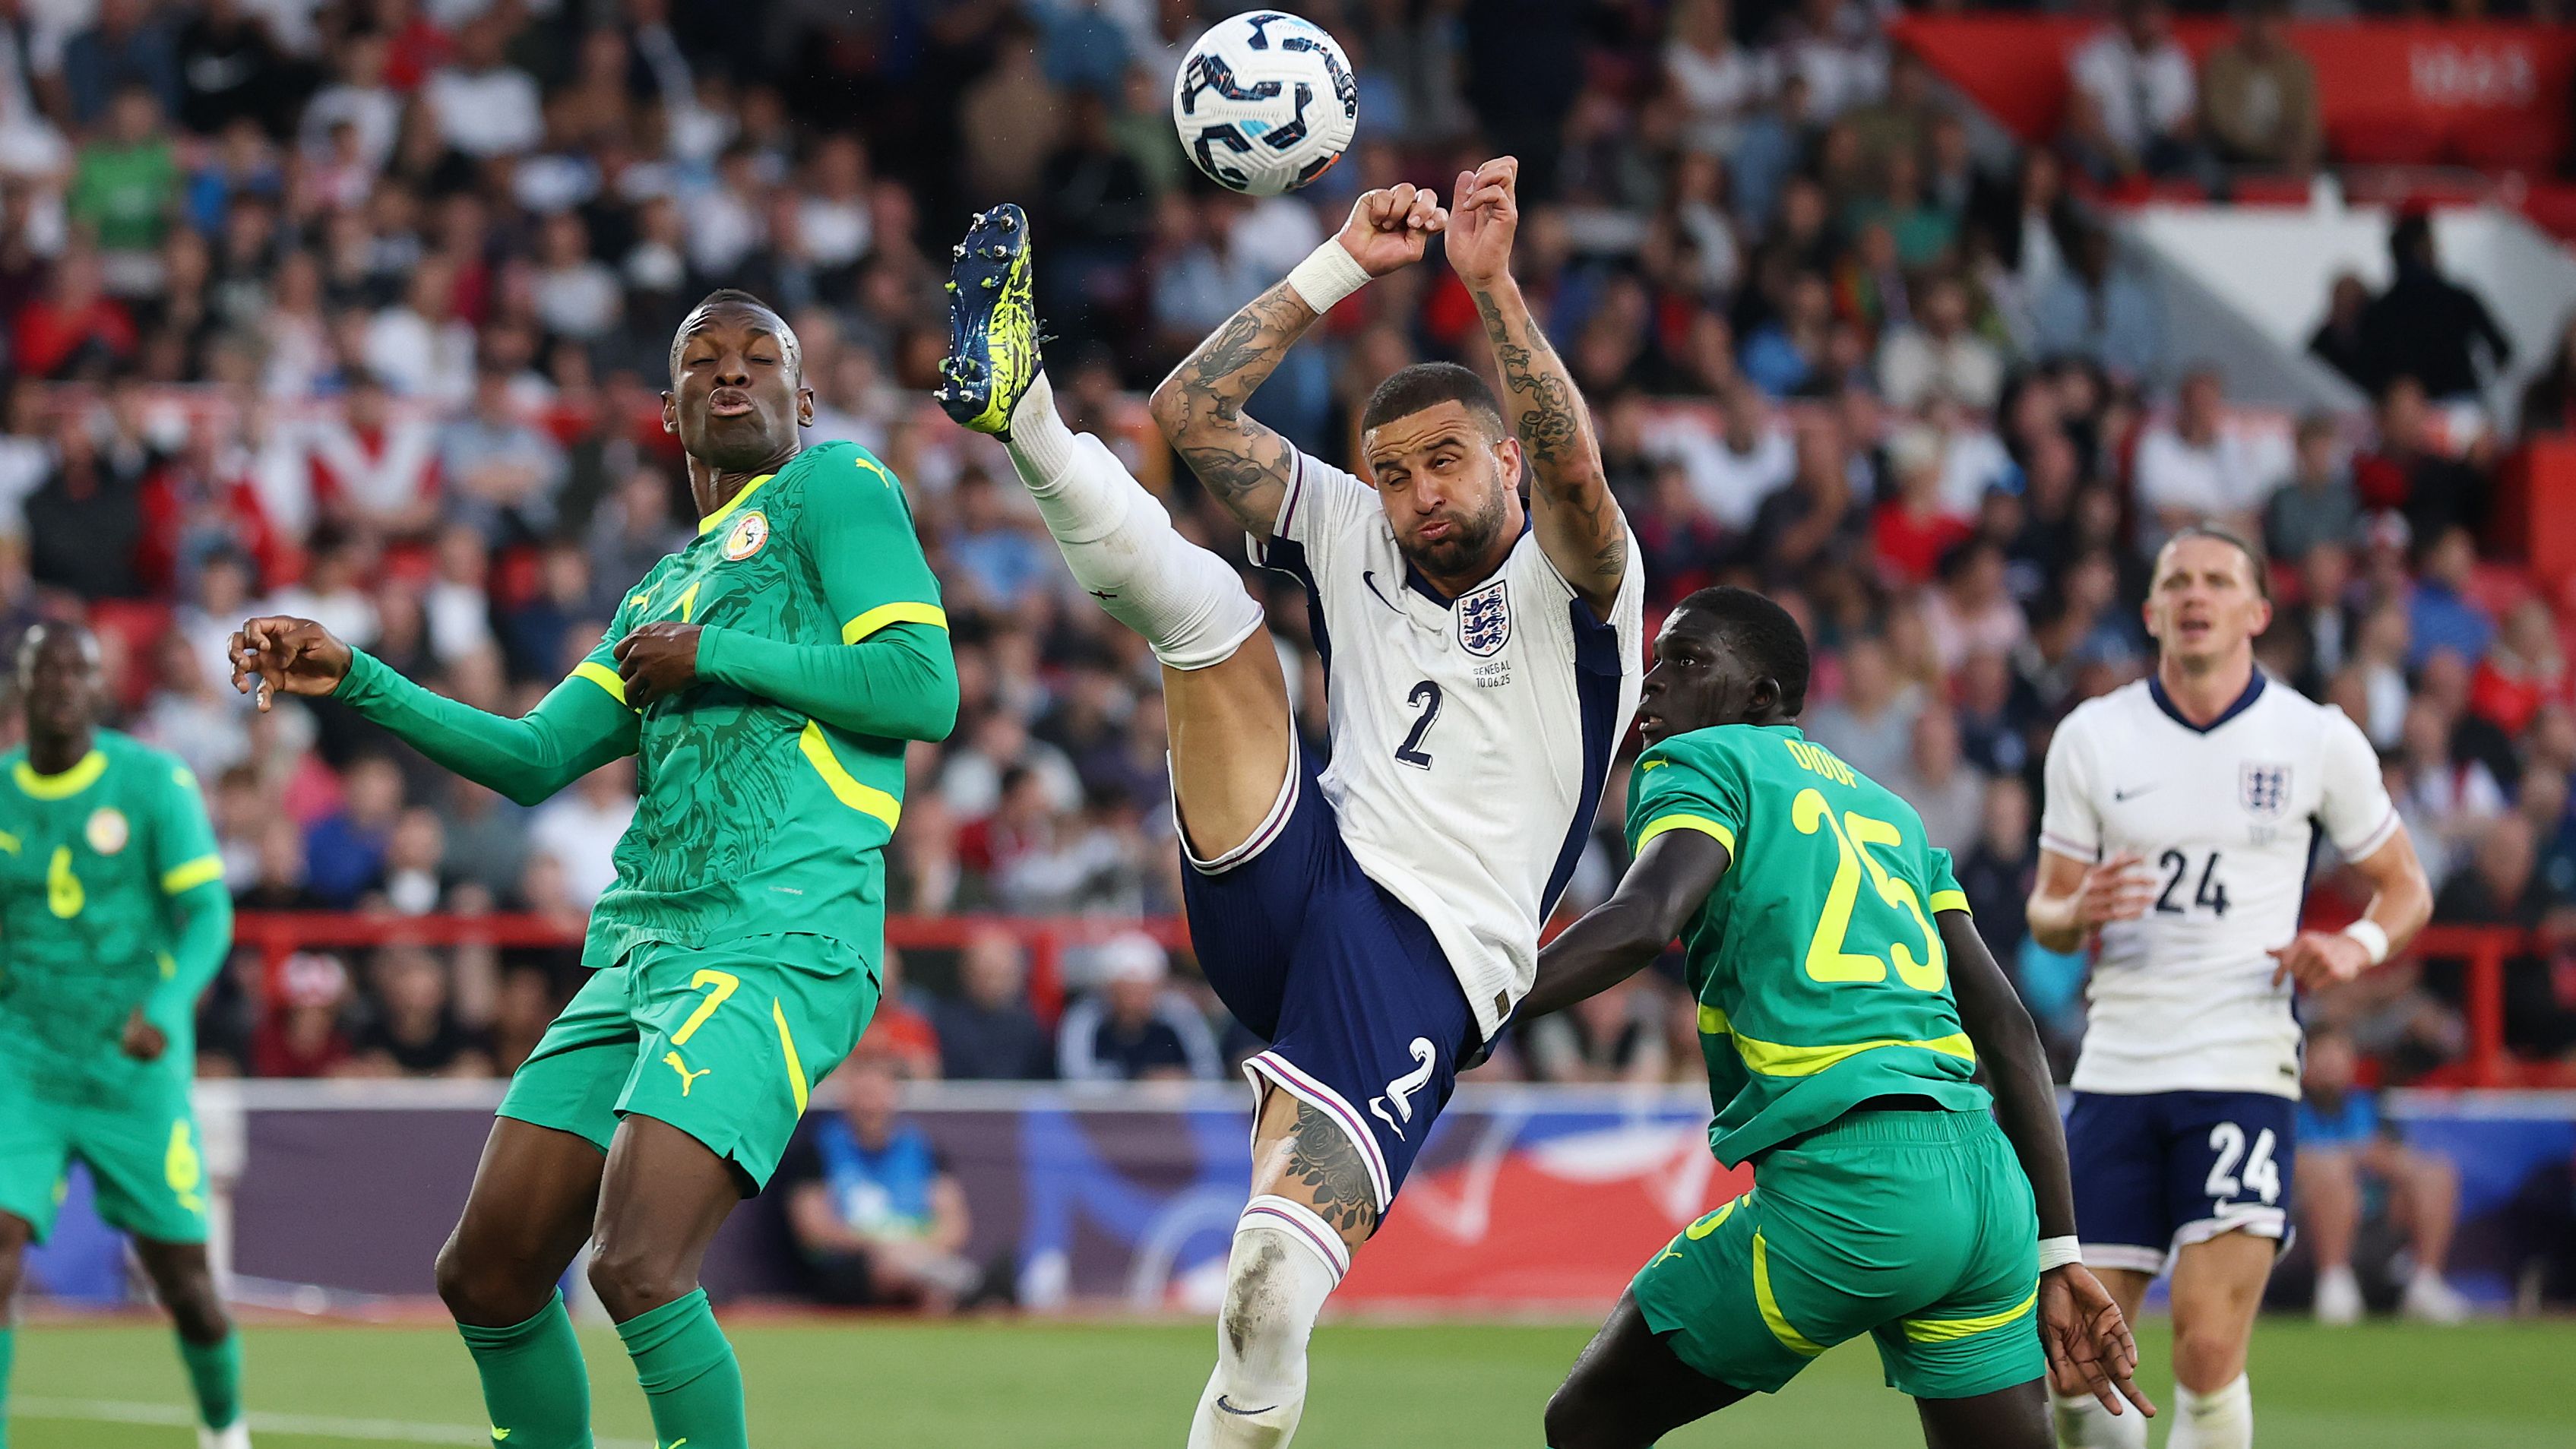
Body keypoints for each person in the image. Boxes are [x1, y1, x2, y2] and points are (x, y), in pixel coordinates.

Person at [936, 157, 1644, 1447]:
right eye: (1393, 471)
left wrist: (1489, 291)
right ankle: (1023, 406)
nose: (1419, 493)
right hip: (1295, 872)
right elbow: (1190, 417)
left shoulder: (1578, 578)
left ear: (1503, 459)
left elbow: (1583, 481)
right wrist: (1337, 267)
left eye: (1445, 463)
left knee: (1265, 1294)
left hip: (1425, 956)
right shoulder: (1353, 527)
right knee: (1207, 612)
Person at [230, 289, 959, 1449]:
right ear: (667, 412)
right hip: (639, 951)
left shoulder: (838, 487)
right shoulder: (655, 591)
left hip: (777, 935)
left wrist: (713, 651)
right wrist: (355, 673)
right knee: (488, 1271)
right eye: (701, 362)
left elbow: (925, 684)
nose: (730, 373)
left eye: (757, 357)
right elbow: (531, 758)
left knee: (636, 1261)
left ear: (803, 398)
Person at [1524, 587, 2147, 1449]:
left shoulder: (1703, 761)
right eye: (1657, 659)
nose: (1654, 683)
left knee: (1588, 1420)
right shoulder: (1893, 813)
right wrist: (2058, 1247)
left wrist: (1469, 1006)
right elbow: (2008, 1026)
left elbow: (1645, 918)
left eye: (1688, 659)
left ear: (1761, 698)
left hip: (1851, 1186)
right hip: (1987, 1194)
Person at [2027, 526, 2434, 1449]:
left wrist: (2357, 944)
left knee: (2208, 1348)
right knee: (2079, 1360)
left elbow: (2406, 887)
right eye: (2177, 580)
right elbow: (2047, 911)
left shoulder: (2314, 738)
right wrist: (2079, 904)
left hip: (2242, 1062)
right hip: (2120, 1065)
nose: (2195, 594)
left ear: (2257, 610)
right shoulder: (2093, 735)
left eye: (2217, 580)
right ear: (2152, 610)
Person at [0, 622, 248, 1449]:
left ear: (102, 687)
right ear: (22, 687)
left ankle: (224, 1427)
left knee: (186, 1284)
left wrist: (170, 1003)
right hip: (24, 1064)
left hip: (131, 1066)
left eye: (82, 669)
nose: (65, 683)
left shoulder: (150, 782)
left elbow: (208, 912)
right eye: (48, 669)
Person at [776, 1049, 979, 1311]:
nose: (870, 1105)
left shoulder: (922, 1149)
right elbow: (813, 1231)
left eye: (878, 1094)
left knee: (932, 1280)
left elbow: (955, 1224)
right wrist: (881, 1248)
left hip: (919, 1257)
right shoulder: (815, 1152)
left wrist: (913, 1251)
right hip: (849, 1268)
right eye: (863, 1094)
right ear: (847, 1097)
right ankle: (963, 1286)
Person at [2293, 1025, 2468, 1325]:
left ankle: (2425, 1283)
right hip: (2303, 1229)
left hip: (2374, 1222)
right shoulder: (2288, 1109)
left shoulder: (2370, 1107)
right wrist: (2351, 1156)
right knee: (2332, 1175)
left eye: (2339, 1053)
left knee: (2433, 1174)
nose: (2330, 1063)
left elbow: (2398, 1159)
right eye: (2320, 1053)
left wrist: (2380, 1159)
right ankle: (2333, 1283)